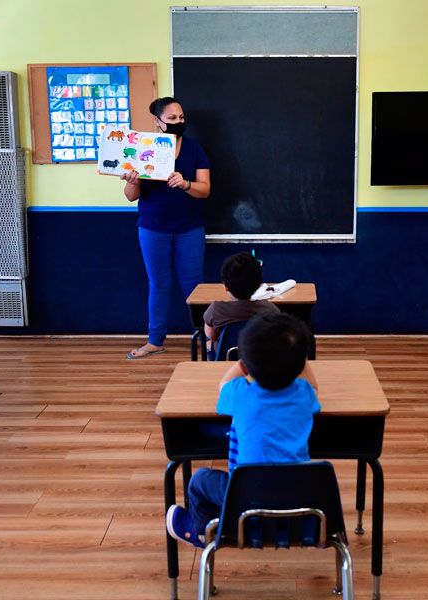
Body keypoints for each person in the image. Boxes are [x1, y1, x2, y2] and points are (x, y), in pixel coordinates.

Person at [165, 312, 320, 548]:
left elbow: (222, 384)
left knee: (199, 481)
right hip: (296, 500)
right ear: (300, 364)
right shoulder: (304, 395)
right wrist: (296, 358)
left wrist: (243, 363)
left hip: (244, 499)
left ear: (246, 366)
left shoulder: (240, 394)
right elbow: (313, 385)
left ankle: (203, 532)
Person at [121, 96, 211, 359]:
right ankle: (155, 340)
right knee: (158, 284)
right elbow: (130, 195)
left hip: (189, 229)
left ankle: (207, 339)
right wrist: (133, 179)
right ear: (157, 122)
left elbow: (205, 190)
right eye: (171, 119)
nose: (178, 122)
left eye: (181, 118)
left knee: (195, 286)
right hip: (153, 228)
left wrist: (185, 184)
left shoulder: (194, 149)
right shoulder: (141, 148)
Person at [203, 251, 279, 358]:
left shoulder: (215, 309)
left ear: (225, 286)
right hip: (260, 362)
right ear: (258, 286)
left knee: (209, 343)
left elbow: (210, 335)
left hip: (225, 361)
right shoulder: (271, 310)